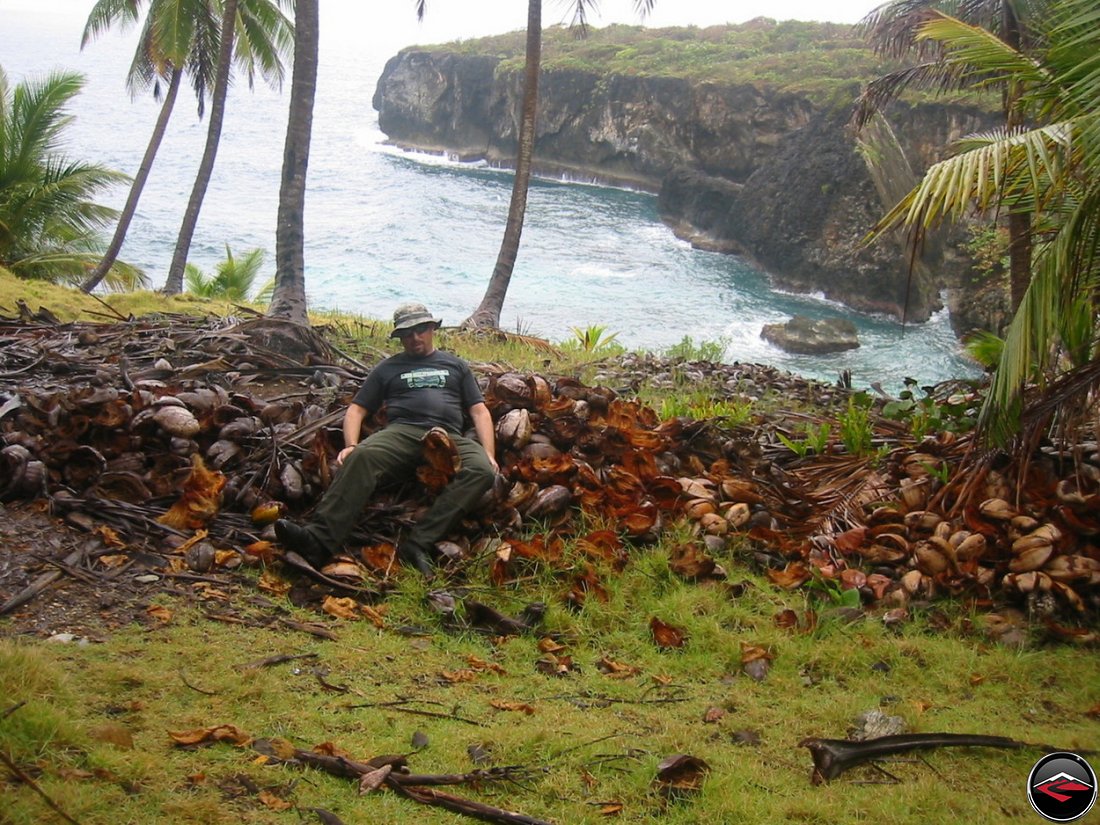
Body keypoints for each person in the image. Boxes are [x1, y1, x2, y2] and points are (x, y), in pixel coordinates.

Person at [275, 302, 498, 576]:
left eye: (420, 330)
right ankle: (319, 541)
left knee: (482, 470)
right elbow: (356, 409)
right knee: (362, 457)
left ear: (431, 329)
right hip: (402, 431)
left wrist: (489, 453)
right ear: (399, 337)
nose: (414, 338)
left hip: (447, 436)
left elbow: (479, 410)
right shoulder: (387, 368)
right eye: (407, 333)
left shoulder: (455, 366)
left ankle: (418, 543)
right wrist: (351, 445)